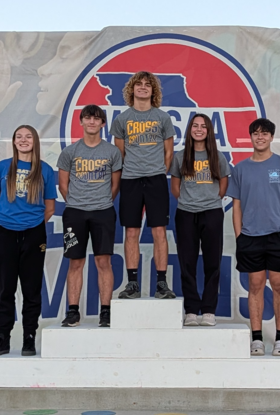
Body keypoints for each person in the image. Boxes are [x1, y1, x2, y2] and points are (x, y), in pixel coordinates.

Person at [226, 118, 280, 357]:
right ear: (250, 137)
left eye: (265, 133)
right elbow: (236, 207)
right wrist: (240, 236)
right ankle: (257, 339)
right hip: (250, 236)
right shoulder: (240, 169)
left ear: (272, 137)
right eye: (256, 133)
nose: (260, 137)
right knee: (255, 285)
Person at [0, 125, 57, 356]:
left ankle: (29, 338)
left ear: (35, 141)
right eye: (19, 137)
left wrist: (31, 223)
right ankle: (3, 337)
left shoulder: (45, 170)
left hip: (34, 233)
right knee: (5, 287)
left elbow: (49, 208)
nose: (23, 140)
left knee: (31, 288)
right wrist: (9, 219)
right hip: (5, 232)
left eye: (28, 137)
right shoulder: (1, 167)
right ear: (14, 142)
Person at [110, 71, 176, 299]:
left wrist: (157, 171)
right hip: (130, 180)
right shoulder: (122, 119)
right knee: (131, 232)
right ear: (132, 90)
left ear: (153, 91)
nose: (143, 87)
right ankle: (132, 284)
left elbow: (169, 153)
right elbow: (119, 154)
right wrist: (134, 171)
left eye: (148, 85)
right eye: (139, 84)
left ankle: (161, 283)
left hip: (156, 179)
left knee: (159, 231)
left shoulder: (162, 118)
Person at [57, 104, 123, 328]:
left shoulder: (112, 152)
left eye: (97, 119)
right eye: (88, 118)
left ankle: (106, 312)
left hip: (103, 211)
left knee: (103, 261)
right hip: (75, 212)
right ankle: (73, 312)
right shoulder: (70, 152)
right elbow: (63, 186)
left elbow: (115, 186)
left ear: (103, 123)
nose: (92, 122)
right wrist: (78, 203)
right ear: (81, 122)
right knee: (76, 262)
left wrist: (101, 203)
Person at [169, 114, 230, 326]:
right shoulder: (180, 156)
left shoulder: (217, 156)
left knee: (213, 262)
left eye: (203, 126)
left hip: (212, 212)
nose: (199, 129)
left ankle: (209, 310)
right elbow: (175, 186)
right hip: (186, 213)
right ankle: (192, 310)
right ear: (189, 130)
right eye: (195, 125)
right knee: (187, 262)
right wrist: (189, 201)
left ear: (209, 131)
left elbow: (223, 184)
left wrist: (211, 200)